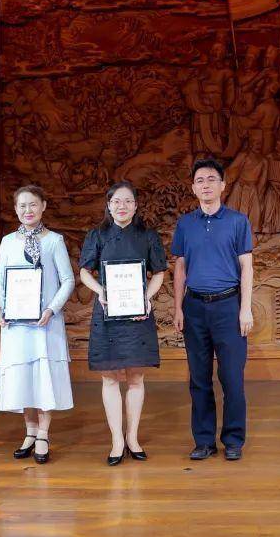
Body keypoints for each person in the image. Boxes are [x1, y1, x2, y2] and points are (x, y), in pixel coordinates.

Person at [78, 181, 168, 465]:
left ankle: (133, 437)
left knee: (136, 378)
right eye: (116, 201)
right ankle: (117, 440)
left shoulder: (148, 236)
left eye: (128, 201)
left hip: (137, 314)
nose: (122, 206)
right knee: (110, 378)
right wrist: (101, 291)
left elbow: (159, 272)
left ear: (136, 205)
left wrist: (146, 297)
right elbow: (84, 272)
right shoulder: (97, 235)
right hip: (108, 313)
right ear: (108, 205)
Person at [172, 158, 254, 461]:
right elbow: (180, 267)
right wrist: (178, 308)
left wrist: (245, 309)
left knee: (232, 378)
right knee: (199, 378)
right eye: (199, 181)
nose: (205, 185)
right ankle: (204, 441)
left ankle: (233, 440)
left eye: (211, 179)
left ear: (222, 185)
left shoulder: (237, 221)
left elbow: (247, 267)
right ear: (193, 188)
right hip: (194, 307)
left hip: (228, 306)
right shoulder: (185, 224)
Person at [0, 185, 75, 464]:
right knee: (24, 377)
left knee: (43, 376)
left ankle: (43, 434)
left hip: (45, 323)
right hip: (16, 324)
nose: (28, 210)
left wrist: (52, 309)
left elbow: (67, 280)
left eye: (33, 205)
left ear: (43, 206)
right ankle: (29, 432)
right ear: (16, 209)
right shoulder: (7, 242)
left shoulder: (54, 241)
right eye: (22, 206)